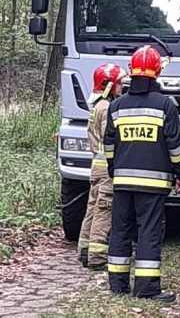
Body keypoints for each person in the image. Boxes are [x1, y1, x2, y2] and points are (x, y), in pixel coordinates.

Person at [104, 45, 180, 302]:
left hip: (122, 180)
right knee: (149, 231)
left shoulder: (117, 106)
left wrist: (113, 170)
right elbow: (175, 145)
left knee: (120, 230)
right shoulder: (165, 105)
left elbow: (109, 144)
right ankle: (146, 287)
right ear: (157, 73)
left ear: (131, 72)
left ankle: (118, 284)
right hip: (153, 184)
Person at [78, 63, 127, 269]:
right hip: (106, 168)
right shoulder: (107, 108)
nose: (122, 87)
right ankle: (97, 257)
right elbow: (110, 140)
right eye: (119, 83)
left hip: (96, 166)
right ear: (108, 85)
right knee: (104, 210)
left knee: (92, 207)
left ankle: (84, 250)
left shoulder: (97, 106)